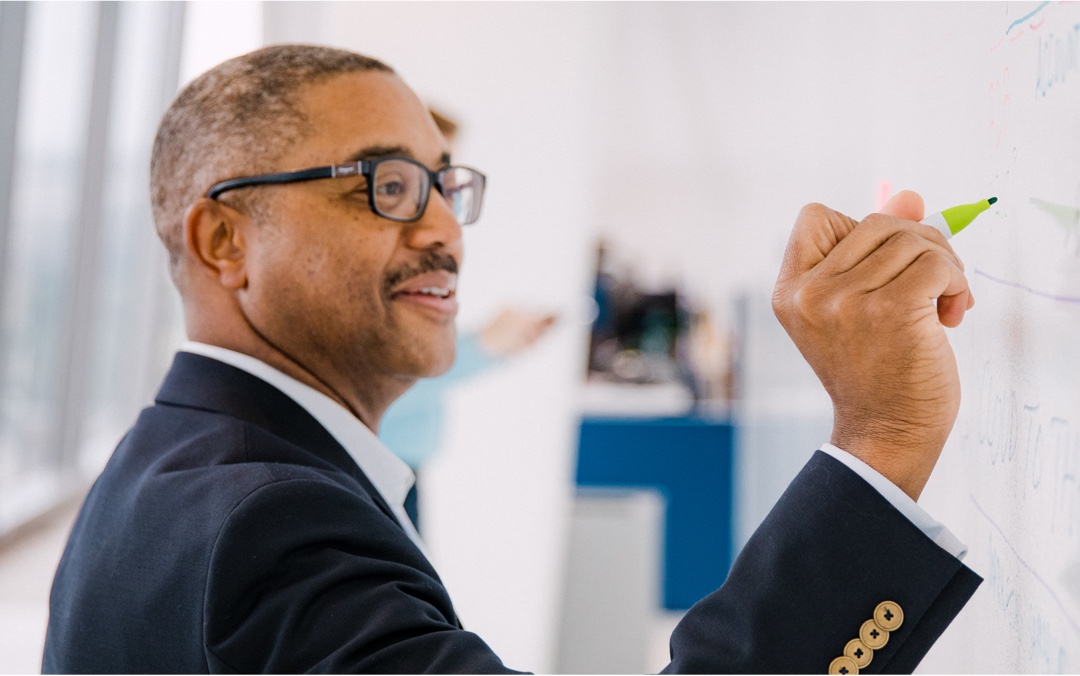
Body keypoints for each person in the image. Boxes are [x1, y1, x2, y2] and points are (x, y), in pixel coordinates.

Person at [43, 45, 980, 674]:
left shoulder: (190, 462)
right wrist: (886, 435)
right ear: (223, 241)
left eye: (448, 187)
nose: (446, 229)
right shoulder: (269, 526)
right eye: (390, 187)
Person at [380, 306, 556, 529]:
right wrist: (483, 346)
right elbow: (379, 386)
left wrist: (485, 346)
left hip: (399, 474)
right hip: (377, 472)